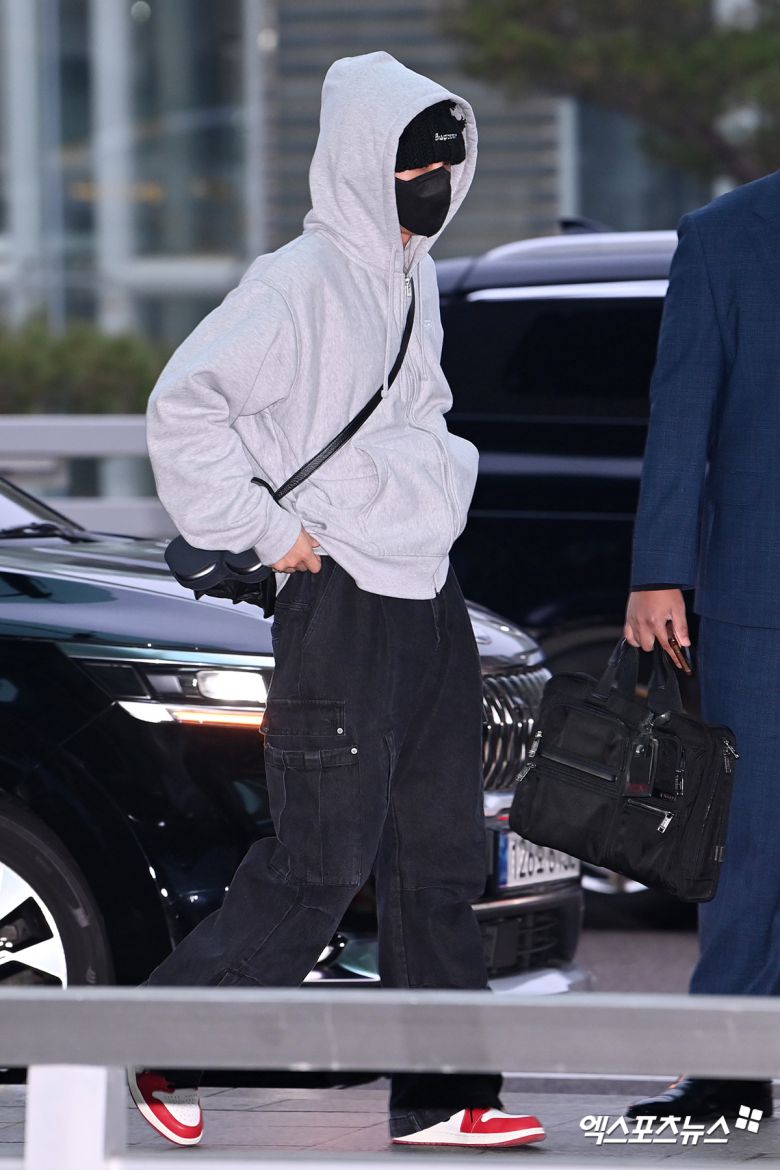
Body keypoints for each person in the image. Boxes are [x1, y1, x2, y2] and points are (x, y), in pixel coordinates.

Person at [128, 51, 546, 1151]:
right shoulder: (296, 282)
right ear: (363, 162)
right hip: (341, 593)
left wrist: (433, 494)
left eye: (446, 164)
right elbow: (183, 407)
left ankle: (445, 1097)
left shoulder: (414, 277)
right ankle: (155, 1040)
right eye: (412, 166)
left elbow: (420, 412)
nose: (433, 184)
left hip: (427, 589)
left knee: (437, 859)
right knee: (321, 860)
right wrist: (274, 535)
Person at [622, 173, 779, 1122]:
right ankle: (728, 1074)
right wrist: (659, 572)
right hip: (760, 594)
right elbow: (681, 410)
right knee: (747, 846)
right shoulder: (725, 235)